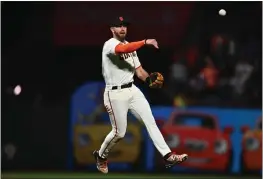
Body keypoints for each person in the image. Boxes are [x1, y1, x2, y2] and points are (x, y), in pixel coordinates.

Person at [93, 16, 188, 174]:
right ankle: (101, 156)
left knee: (150, 122)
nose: (122, 28)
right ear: (112, 29)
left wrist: (149, 79)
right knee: (119, 133)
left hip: (133, 90)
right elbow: (122, 50)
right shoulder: (109, 45)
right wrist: (145, 42)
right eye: (118, 26)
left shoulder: (130, 46)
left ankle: (168, 155)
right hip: (115, 93)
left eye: (124, 25)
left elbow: (139, 71)